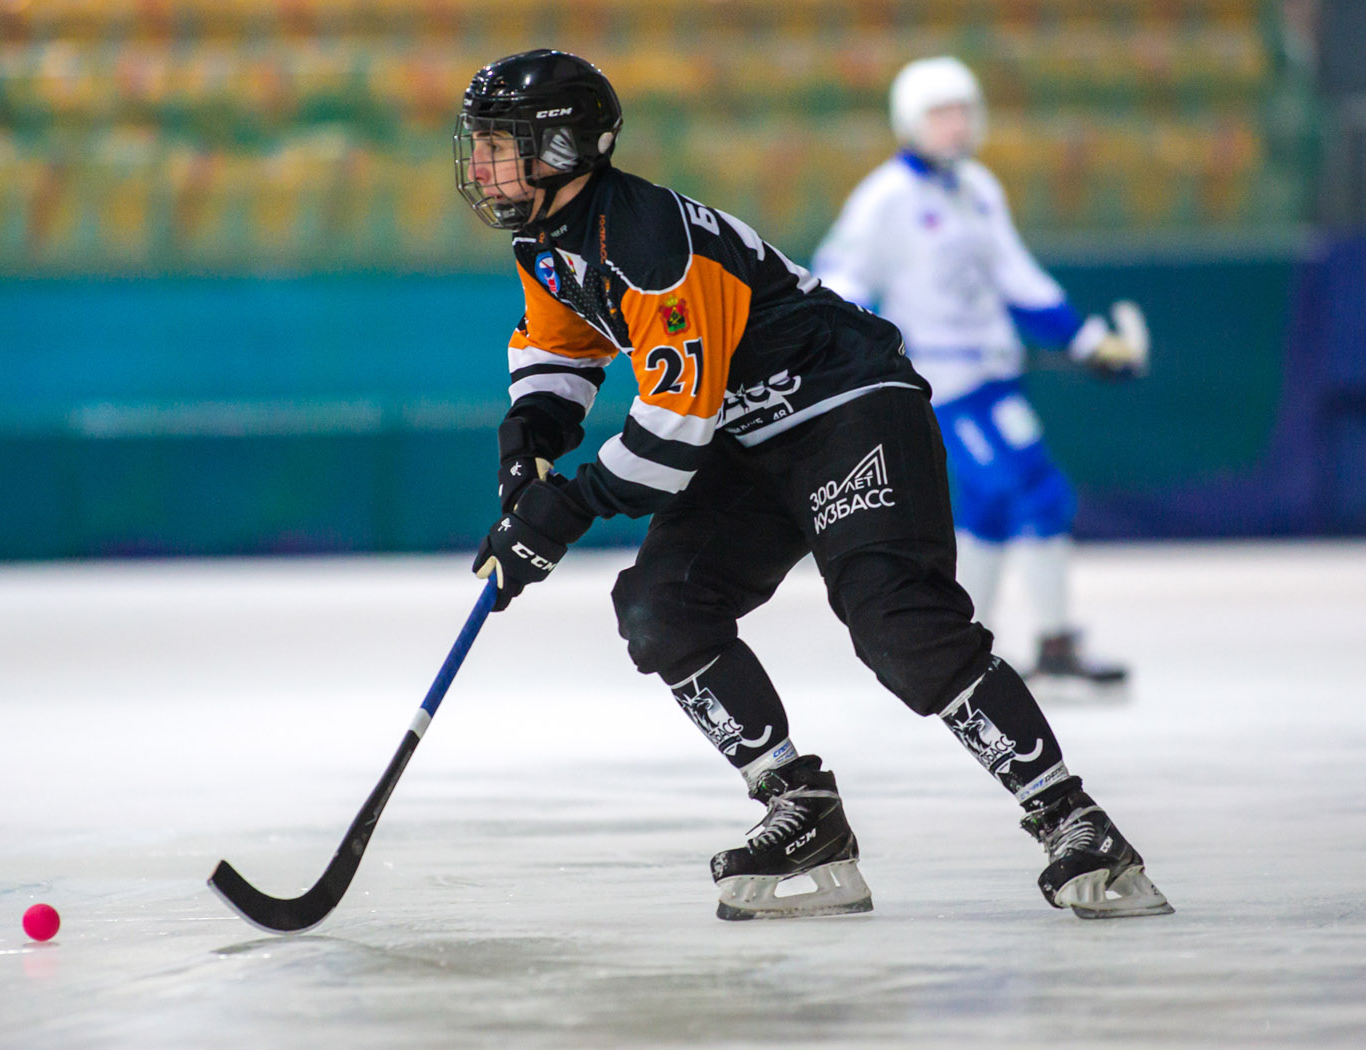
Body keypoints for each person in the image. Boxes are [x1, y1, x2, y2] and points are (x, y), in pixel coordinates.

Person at [457, 49, 1170, 921]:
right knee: (661, 607)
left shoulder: (648, 243)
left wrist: (561, 510)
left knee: (896, 621)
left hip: (846, 406)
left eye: (503, 145)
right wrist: (528, 437)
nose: (483, 166)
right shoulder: (553, 241)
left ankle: (1074, 820)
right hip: (750, 429)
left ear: (567, 149)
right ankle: (805, 813)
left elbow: (674, 436)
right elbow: (562, 348)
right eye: (483, 146)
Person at [810, 56, 1149, 700]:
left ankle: (983, 645)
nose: (956, 124)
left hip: (993, 377)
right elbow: (841, 282)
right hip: (943, 386)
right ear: (909, 121)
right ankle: (1040, 645)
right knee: (1029, 493)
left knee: (998, 505)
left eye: (963, 109)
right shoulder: (886, 198)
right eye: (941, 113)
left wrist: (1083, 340)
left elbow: (1017, 278)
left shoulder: (977, 188)